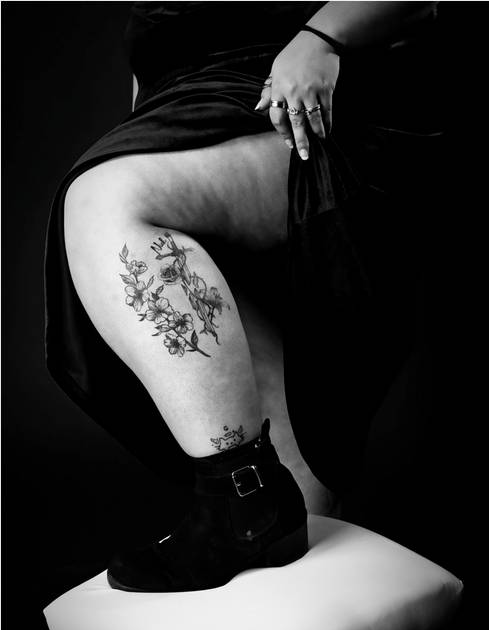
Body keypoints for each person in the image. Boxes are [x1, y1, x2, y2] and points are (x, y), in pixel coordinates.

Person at [44, 1, 443, 593]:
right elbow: (152, 79)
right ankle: (294, 553)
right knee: (196, 280)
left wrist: (321, 37)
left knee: (104, 202)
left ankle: (240, 504)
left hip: (308, 113)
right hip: (202, 122)